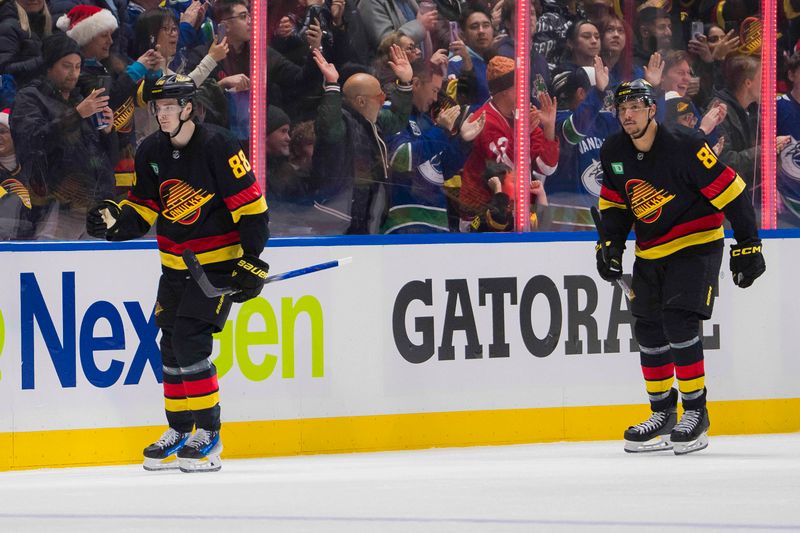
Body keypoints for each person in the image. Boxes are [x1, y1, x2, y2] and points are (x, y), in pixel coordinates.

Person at [85, 74, 269, 472]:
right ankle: (181, 429)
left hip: (215, 267)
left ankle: (210, 432)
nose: (162, 114)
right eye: (158, 108)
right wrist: (119, 225)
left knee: (189, 340)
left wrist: (251, 258)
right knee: (169, 344)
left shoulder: (219, 145)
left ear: (189, 108)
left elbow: (252, 209)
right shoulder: (151, 148)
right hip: (173, 268)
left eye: (169, 107)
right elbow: (145, 208)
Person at [596, 79, 765, 455]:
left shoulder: (685, 145)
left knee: (678, 321)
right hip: (650, 251)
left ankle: (695, 412)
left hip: (696, 244)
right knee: (649, 329)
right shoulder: (613, 151)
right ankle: (662, 414)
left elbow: (733, 191)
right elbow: (615, 205)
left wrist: (748, 244)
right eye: (622, 109)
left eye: (635, 107)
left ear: (651, 109)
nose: (627, 115)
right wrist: (609, 245)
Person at [11, 31, 116, 240]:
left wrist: (108, 132)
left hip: (96, 208)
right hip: (53, 208)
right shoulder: (30, 97)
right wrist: (76, 115)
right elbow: (32, 142)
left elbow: (108, 160)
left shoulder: (81, 101)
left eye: (78, 67)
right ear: (49, 66)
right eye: (66, 66)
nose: (74, 74)